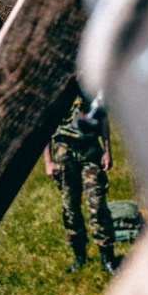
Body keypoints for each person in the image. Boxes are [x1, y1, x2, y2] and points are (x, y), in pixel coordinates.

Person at [44, 90, 119, 274]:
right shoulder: (55, 87)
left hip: (90, 149)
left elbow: (102, 118)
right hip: (64, 151)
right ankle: (79, 256)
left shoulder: (90, 87)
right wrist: (48, 161)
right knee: (70, 207)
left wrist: (107, 150)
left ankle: (107, 256)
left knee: (97, 202)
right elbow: (45, 125)